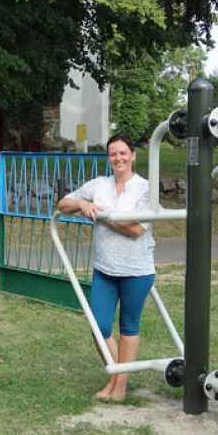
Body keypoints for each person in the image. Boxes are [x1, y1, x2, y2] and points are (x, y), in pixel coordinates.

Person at [57, 134, 155, 402]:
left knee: (128, 327)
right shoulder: (99, 185)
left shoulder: (146, 188)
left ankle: (119, 388)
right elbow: (62, 205)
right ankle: (117, 377)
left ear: (133, 155)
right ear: (108, 158)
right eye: (113, 154)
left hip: (136, 269)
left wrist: (104, 217)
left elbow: (136, 229)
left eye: (123, 153)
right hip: (105, 269)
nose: (118, 158)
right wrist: (82, 204)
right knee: (98, 327)